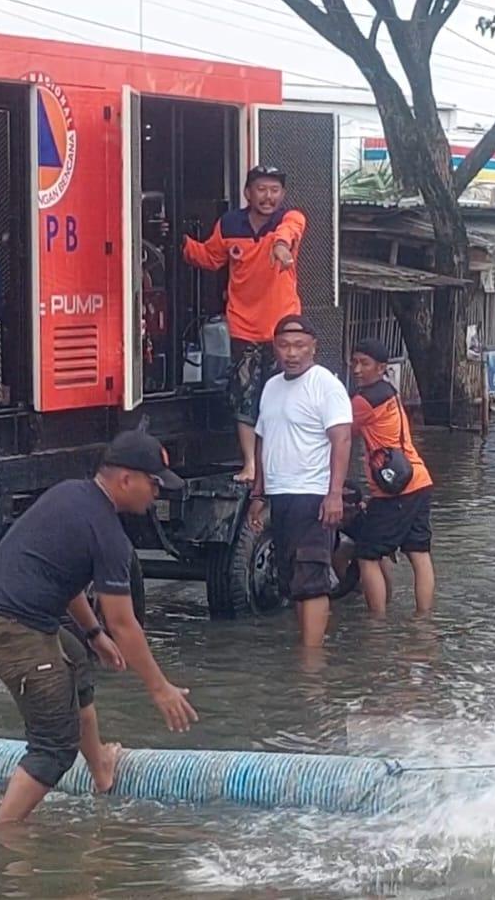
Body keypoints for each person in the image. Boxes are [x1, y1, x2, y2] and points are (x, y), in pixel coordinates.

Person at [0, 430, 198, 824]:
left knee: (76, 661)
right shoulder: (109, 537)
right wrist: (160, 688)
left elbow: (62, 575)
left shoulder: (70, 494)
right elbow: (125, 624)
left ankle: (101, 769)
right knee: (54, 747)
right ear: (126, 480)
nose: (156, 495)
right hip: (6, 627)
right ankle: (4, 837)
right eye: (153, 485)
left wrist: (91, 633)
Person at [183, 165, 307, 483]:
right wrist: (178, 243)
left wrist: (280, 247)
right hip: (243, 324)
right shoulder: (230, 224)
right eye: (262, 189)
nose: (268, 196)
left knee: (283, 397)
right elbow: (210, 257)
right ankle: (251, 464)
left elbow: (287, 235)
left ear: (283, 195)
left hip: (283, 326)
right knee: (244, 395)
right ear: (248, 193)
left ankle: (280, 461)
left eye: (275, 190)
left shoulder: (290, 219)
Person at [248, 314, 353, 649]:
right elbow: (263, 438)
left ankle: (312, 662)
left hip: (313, 494)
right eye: (284, 346)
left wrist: (334, 494)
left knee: (312, 576)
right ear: (274, 348)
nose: (291, 353)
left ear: (313, 348)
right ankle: (307, 648)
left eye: (299, 346)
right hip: (281, 494)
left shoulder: (326, 385)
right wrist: (259, 492)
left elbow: (342, 440)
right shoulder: (271, 386)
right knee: (291, 575)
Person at [347, 337, 436, 615]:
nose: (357, 369)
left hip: (395, 490)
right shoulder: (389, 391)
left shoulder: (363, 401)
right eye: (354, 362)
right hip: (419, 479)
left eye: (364, 364)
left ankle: (378, 624)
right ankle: (423, 620)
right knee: (419, 554)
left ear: (382, 367)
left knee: (367, 555)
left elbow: (339, 432)